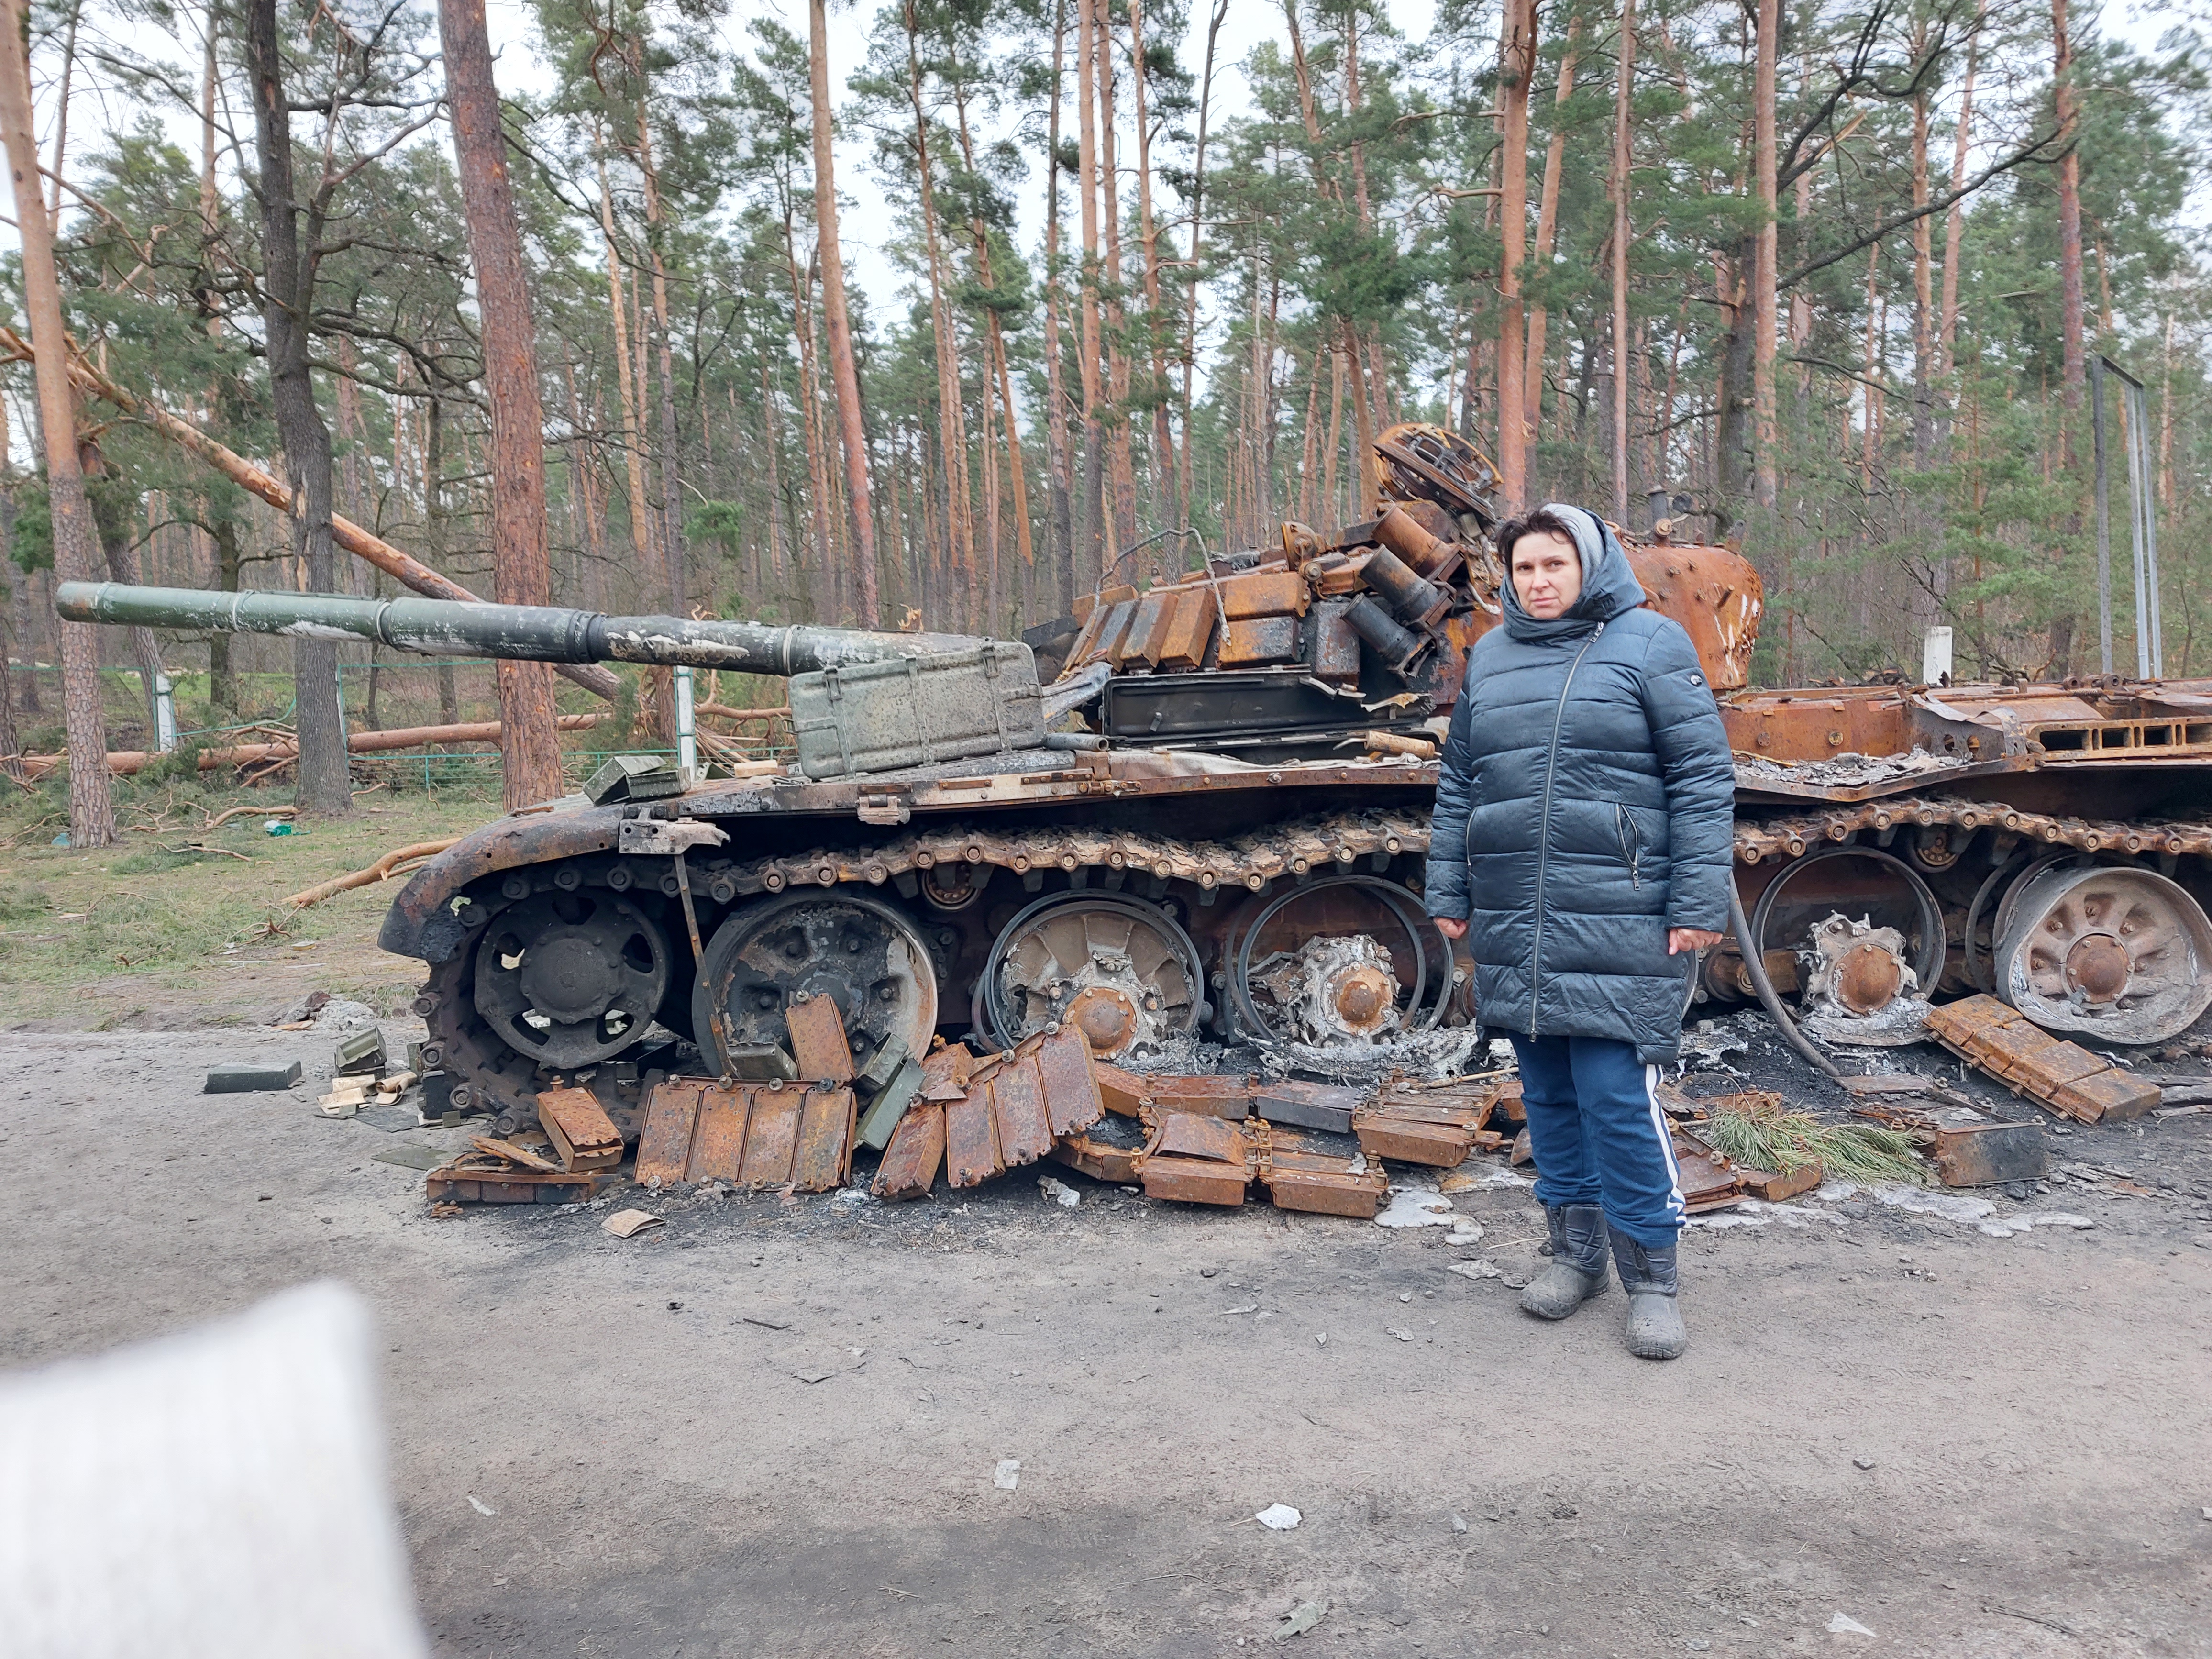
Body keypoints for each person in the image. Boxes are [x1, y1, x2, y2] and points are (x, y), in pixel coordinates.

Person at [1424, 504, 1735, 1359]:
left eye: (1554, 564)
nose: (1539, 581)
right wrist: (1449, 886)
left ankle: (1654, 1280)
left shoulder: (1651, 645)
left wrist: (1697, 903)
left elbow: (1704, 780)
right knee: (1551, 1099)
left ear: (1590, 565)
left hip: (1621, 914)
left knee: (1617, 1100)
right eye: (1525, 569)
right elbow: (1460, 786)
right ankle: (1575, 1254)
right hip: (1518, 917)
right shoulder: (1490, 656)